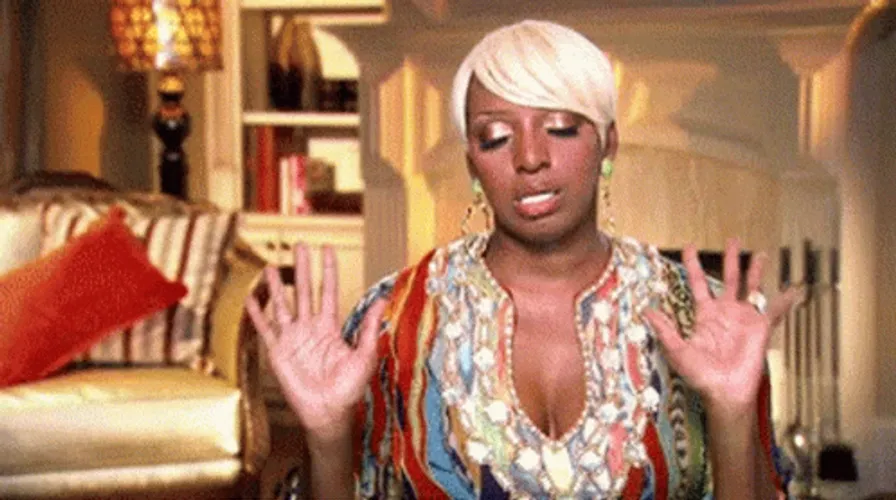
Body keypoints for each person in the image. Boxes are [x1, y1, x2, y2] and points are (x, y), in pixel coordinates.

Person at [247, 19, 800, 499]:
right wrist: (326, 436)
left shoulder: (698, 318)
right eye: (495, 137)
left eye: (560, 128)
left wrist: (732, 414)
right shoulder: (394, 321)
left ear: (608, 144)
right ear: (472, 163)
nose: (531, 157)